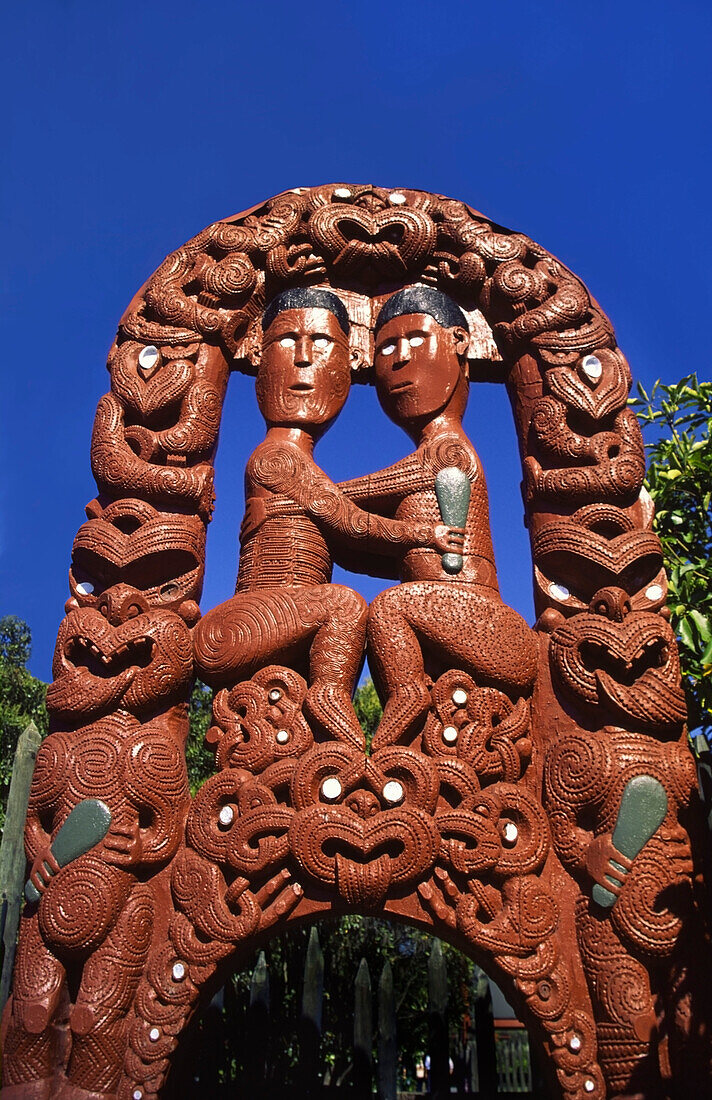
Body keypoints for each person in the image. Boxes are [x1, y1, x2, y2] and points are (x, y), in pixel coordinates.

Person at [194, 287, 462, 746]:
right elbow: (351, 522)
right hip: (233, 631)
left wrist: (406, 545)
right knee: (344, 604)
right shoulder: (278, 460)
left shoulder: (303, 471)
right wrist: (425, 535)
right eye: (285, 342)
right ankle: (337, 717)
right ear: (258, 358)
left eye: (321, 345)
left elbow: (346, 534)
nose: (303, 360)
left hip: (271, 624)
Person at [337, 286, 537, 748]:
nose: (399, 359)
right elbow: (373, 539)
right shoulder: (430, 452)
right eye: (386, 347)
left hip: (486, 624)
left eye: (415, 340)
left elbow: (348, 498)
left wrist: (295, 490)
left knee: (390, 605)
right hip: (450, 619)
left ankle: (403, 708)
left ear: (459, 343)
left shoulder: (445, 450)